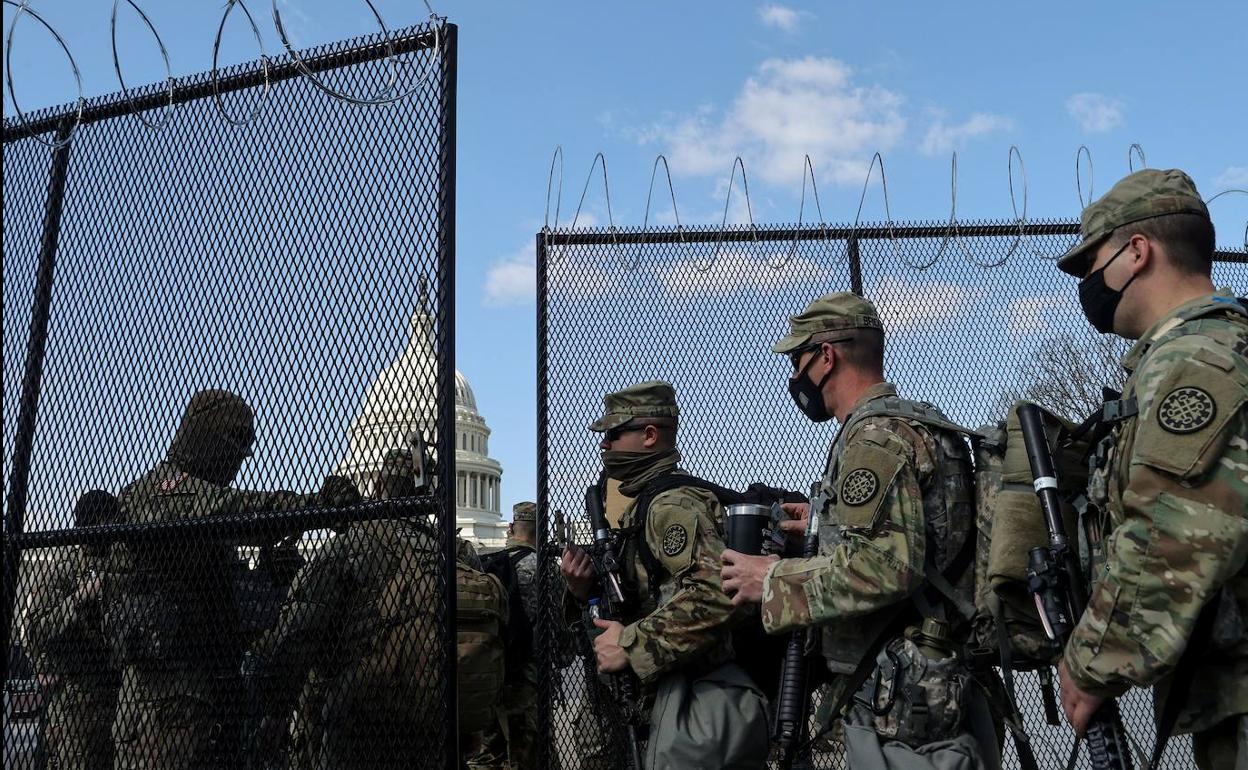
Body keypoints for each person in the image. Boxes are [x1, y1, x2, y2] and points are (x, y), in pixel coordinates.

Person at [720, 293, 998, 769]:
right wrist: (824, 521)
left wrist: (770, 580)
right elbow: (929, 532)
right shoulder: (916, 422)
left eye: (798, 361)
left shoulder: (874, 439)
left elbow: (886, 567)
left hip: (900, 702)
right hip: (934, 677)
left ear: (826, 357)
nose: (795, 378)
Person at [1051, 168, 1248, 769]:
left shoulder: (1194, 359)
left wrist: (1090, 663)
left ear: (1138, 252)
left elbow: (1173, 535)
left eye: (1092, 265)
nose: (1087, 283)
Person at [105, 388, 357, 770]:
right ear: (205, 433)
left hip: (202, 686)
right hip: (162, 698)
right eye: (237, 439)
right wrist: (313, 508)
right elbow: (240, 511)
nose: (244, 454)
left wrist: (268, 575)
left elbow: (216, 587)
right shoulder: (163, 492)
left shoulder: (196, 505)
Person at [561, 381, 769, 770]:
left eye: (613, 434)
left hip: (696, 697)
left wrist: (630, 645)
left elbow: (718, 591)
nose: (604, 445)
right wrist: (584, 589)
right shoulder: (645, 507)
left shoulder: (670, 505)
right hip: (668, 694)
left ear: (649, 436)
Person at [252, 445, 443, 770]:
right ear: (428, 490)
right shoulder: (458, 552)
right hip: (438, 718)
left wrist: (274, 712)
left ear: (379, 486)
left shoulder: (351, 545)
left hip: (360, 724)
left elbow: (301, 631)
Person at [22, 490, 123, 770]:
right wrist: (78, 598)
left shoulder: (120, 557)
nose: (114, 528)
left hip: (114, 691)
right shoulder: (66, 565)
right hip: (74, 698)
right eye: (108, 521)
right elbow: (33, 631)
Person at [468, 501, 543, 770]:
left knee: (488, 754)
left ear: (511, 527)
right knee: (525, 755)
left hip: (488, 675)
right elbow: (560, 630)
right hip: (527, 678)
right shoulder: (544, 569)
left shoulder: (485, 566)